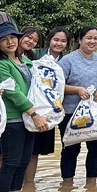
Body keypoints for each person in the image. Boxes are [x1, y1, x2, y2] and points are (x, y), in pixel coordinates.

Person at [0, 22, 49, 192]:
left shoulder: (26, 61)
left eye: (12, 37)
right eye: (3, 40)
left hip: (28, 119)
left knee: (23, 161)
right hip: (14, 118)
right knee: (11, 161)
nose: (10, 42)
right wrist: (34, 114)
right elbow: (14, 93)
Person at [58, 26, 97, 182]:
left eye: (96, 38)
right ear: (80, 40)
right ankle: (67, 186)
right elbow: (57, 86)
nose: (92, 41)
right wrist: (77, 90)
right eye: (89, 38)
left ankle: (91, 184)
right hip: (70, 112)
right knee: (70, 149)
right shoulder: (67, 60)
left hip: (95, 112)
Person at [26, 27, 70, 183]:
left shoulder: (65, 61)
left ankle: (29, 184)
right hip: (31, 108)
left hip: (51, 111)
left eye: (63, 41)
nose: (59, 43)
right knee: (22, 149)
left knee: (35, 150)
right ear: (49, 40)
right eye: (56, 39)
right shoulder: (35, 57)